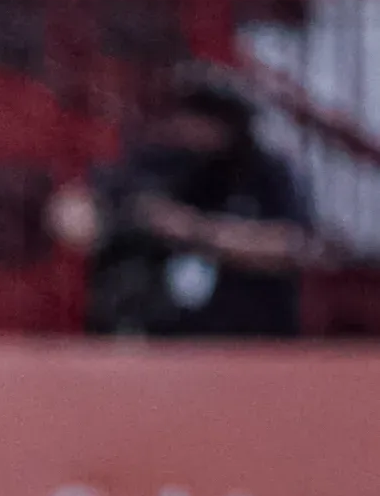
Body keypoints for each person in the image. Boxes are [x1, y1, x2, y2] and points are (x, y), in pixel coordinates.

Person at [47, 75, 321, 337]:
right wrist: (100, 219)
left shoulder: (264, 172)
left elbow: (294, 246)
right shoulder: (153, 165)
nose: (196, 127)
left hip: (248, 335)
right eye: (191, 114)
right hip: (159, 337)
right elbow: (74, 213)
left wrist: (195, 230)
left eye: (211, 117)